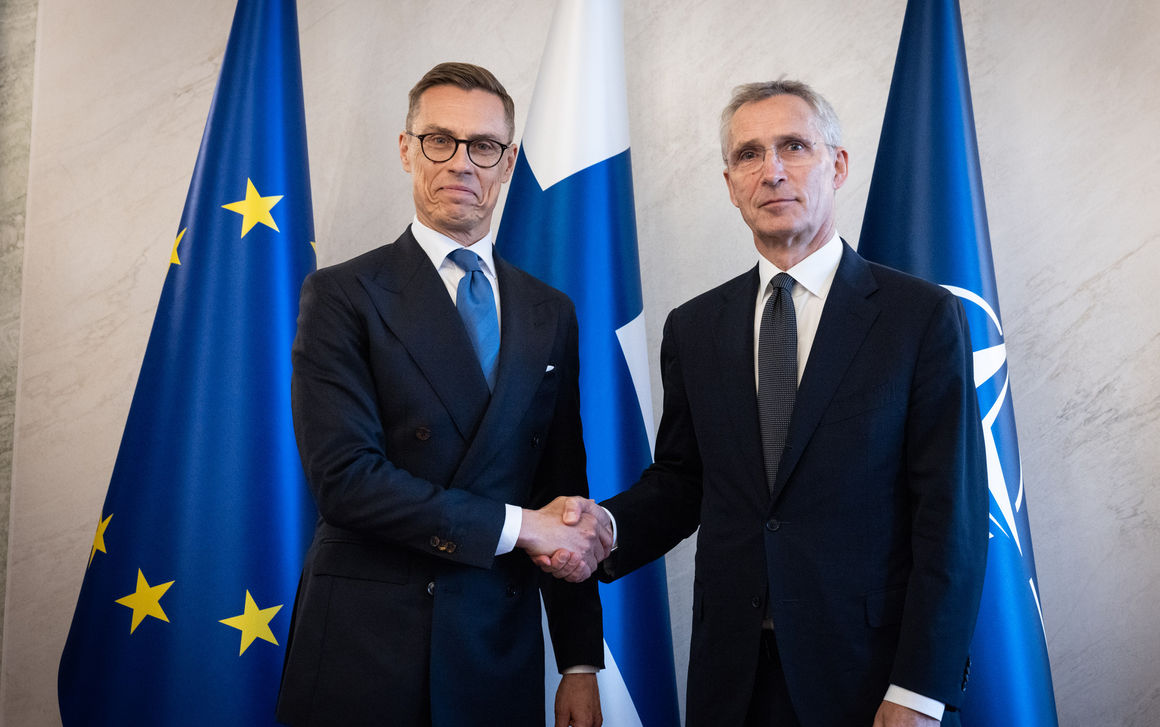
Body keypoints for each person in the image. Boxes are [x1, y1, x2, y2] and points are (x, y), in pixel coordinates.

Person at [541, 80, 988, 726]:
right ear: (730, 183)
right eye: (749, 154)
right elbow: (683, 482)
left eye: (793, 146)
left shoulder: (920, 319)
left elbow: (953, 521)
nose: (772, 170)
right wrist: (603, 528)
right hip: (732, 676)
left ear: (837, 165)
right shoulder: (695, 327)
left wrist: (919, 690)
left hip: (868, 678)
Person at [277, 62, 611, 727]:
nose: (461, 161)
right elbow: (345, 480)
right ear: (407, 149)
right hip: (367, 646)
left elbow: (562, 488)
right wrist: (521, 526)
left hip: (493, 640)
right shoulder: (342, 295)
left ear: (509, 160)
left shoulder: (551, 312)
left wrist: (578, 662)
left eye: (483, 145)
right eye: (439, 140)